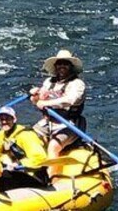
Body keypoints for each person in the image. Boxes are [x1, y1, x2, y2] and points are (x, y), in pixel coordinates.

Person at [30, 49, 86, 177]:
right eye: (59, 63)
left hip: (69, 124)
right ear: (55, 66)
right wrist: (35, 97)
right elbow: (38, 102)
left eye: (65, 64)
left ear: (71, 67)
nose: (62, 66)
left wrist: (46, 103)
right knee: (28, 138)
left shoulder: (77, 84)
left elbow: (70, 100)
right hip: (48, 122)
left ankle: (51, 179)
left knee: (53, 146)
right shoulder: (49, 82)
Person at [0, 106, 48, 190]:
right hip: (17, 171)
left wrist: (18, 164)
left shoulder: (26, 135)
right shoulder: (2, 134)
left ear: (14, 120)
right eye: (1, 119)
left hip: (34, 175)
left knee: (3, 174)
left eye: (7, 119)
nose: (4, 122)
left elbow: (40, 158)